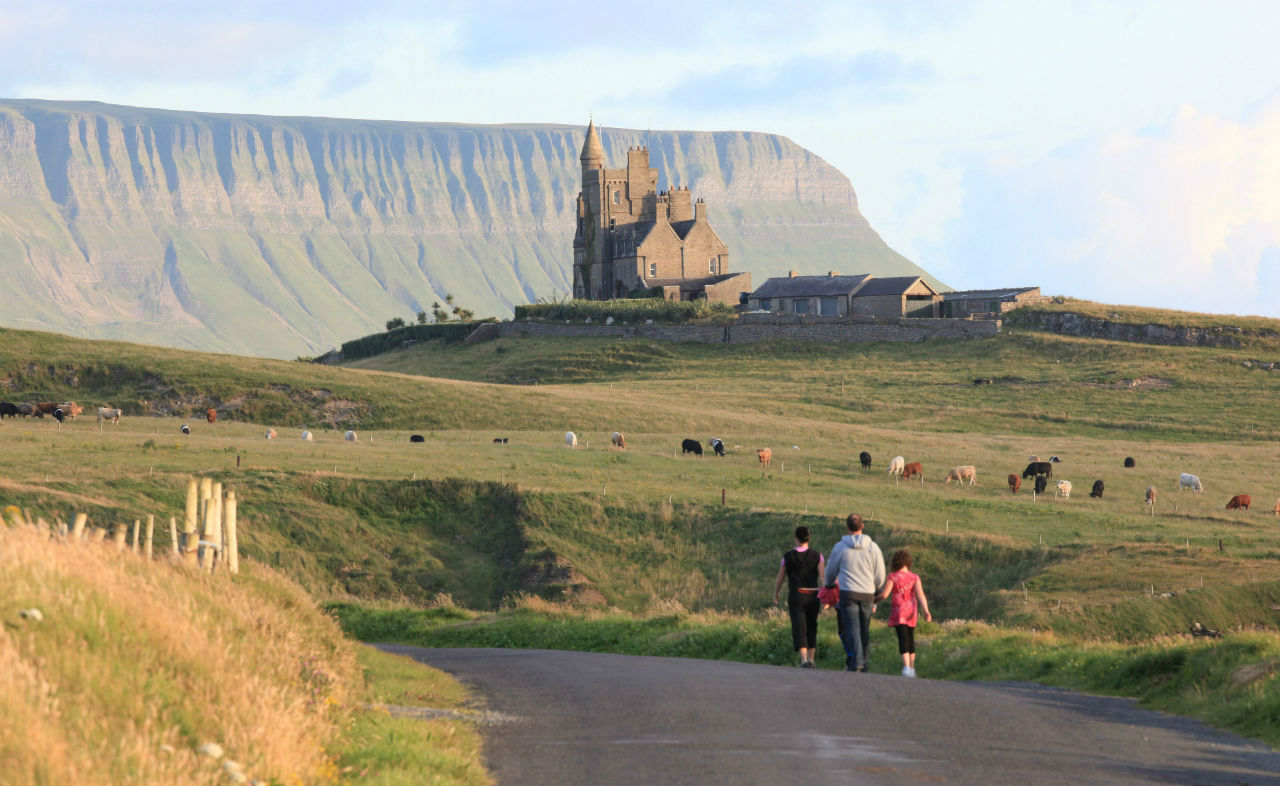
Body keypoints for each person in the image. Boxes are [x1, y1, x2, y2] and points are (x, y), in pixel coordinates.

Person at [824, 514, 886, 672]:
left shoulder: (840, 547)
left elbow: (831, 570)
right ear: (862, 526)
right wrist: (877, 587)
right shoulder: (873, 547)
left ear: (847, 527)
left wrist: (829, 584)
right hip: (867, 593)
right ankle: (864, 661)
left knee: (851, 627)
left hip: (848, 593)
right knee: (864, 627)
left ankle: (856, 661)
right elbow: (880, 573)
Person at [773, 526, 825, 668]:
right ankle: (812, 659)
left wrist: (776, 592)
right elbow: (822, 576)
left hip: (797, 594)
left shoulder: (787, 556)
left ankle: (804, 660)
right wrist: (826, 594)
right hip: (814, 595)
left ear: (796, 538)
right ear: (809, 538)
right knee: (812, 625)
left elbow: (780, 577)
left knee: (799, 626)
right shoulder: (818, 556)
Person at [877, 549, 932, 677]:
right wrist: (926, 611)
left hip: (899, 612)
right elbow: (921, 595)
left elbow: (885, 594)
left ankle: (906, 667)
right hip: (911, 611)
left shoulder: (893, 577)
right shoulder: (915, 577)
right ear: (908, 562)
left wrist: (874, 600)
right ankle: (912, 668)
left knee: (903, 638)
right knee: (910, 637)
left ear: (895, 562)